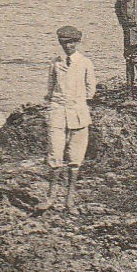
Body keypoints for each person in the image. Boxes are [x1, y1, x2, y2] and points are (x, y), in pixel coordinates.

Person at [41, 26, 96, 212]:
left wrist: (77, 102)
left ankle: (69, 199)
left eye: (72, 42)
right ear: (60, 43)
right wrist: (54, 105)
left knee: (75, 158)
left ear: (78, 42)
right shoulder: (55, 63)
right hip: (57, 114)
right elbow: (49, 90)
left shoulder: (85, 63)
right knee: (55, 155)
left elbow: (91, 90)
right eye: (65, 43)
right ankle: (51, 197)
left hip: (79, 115)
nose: (69, 46)